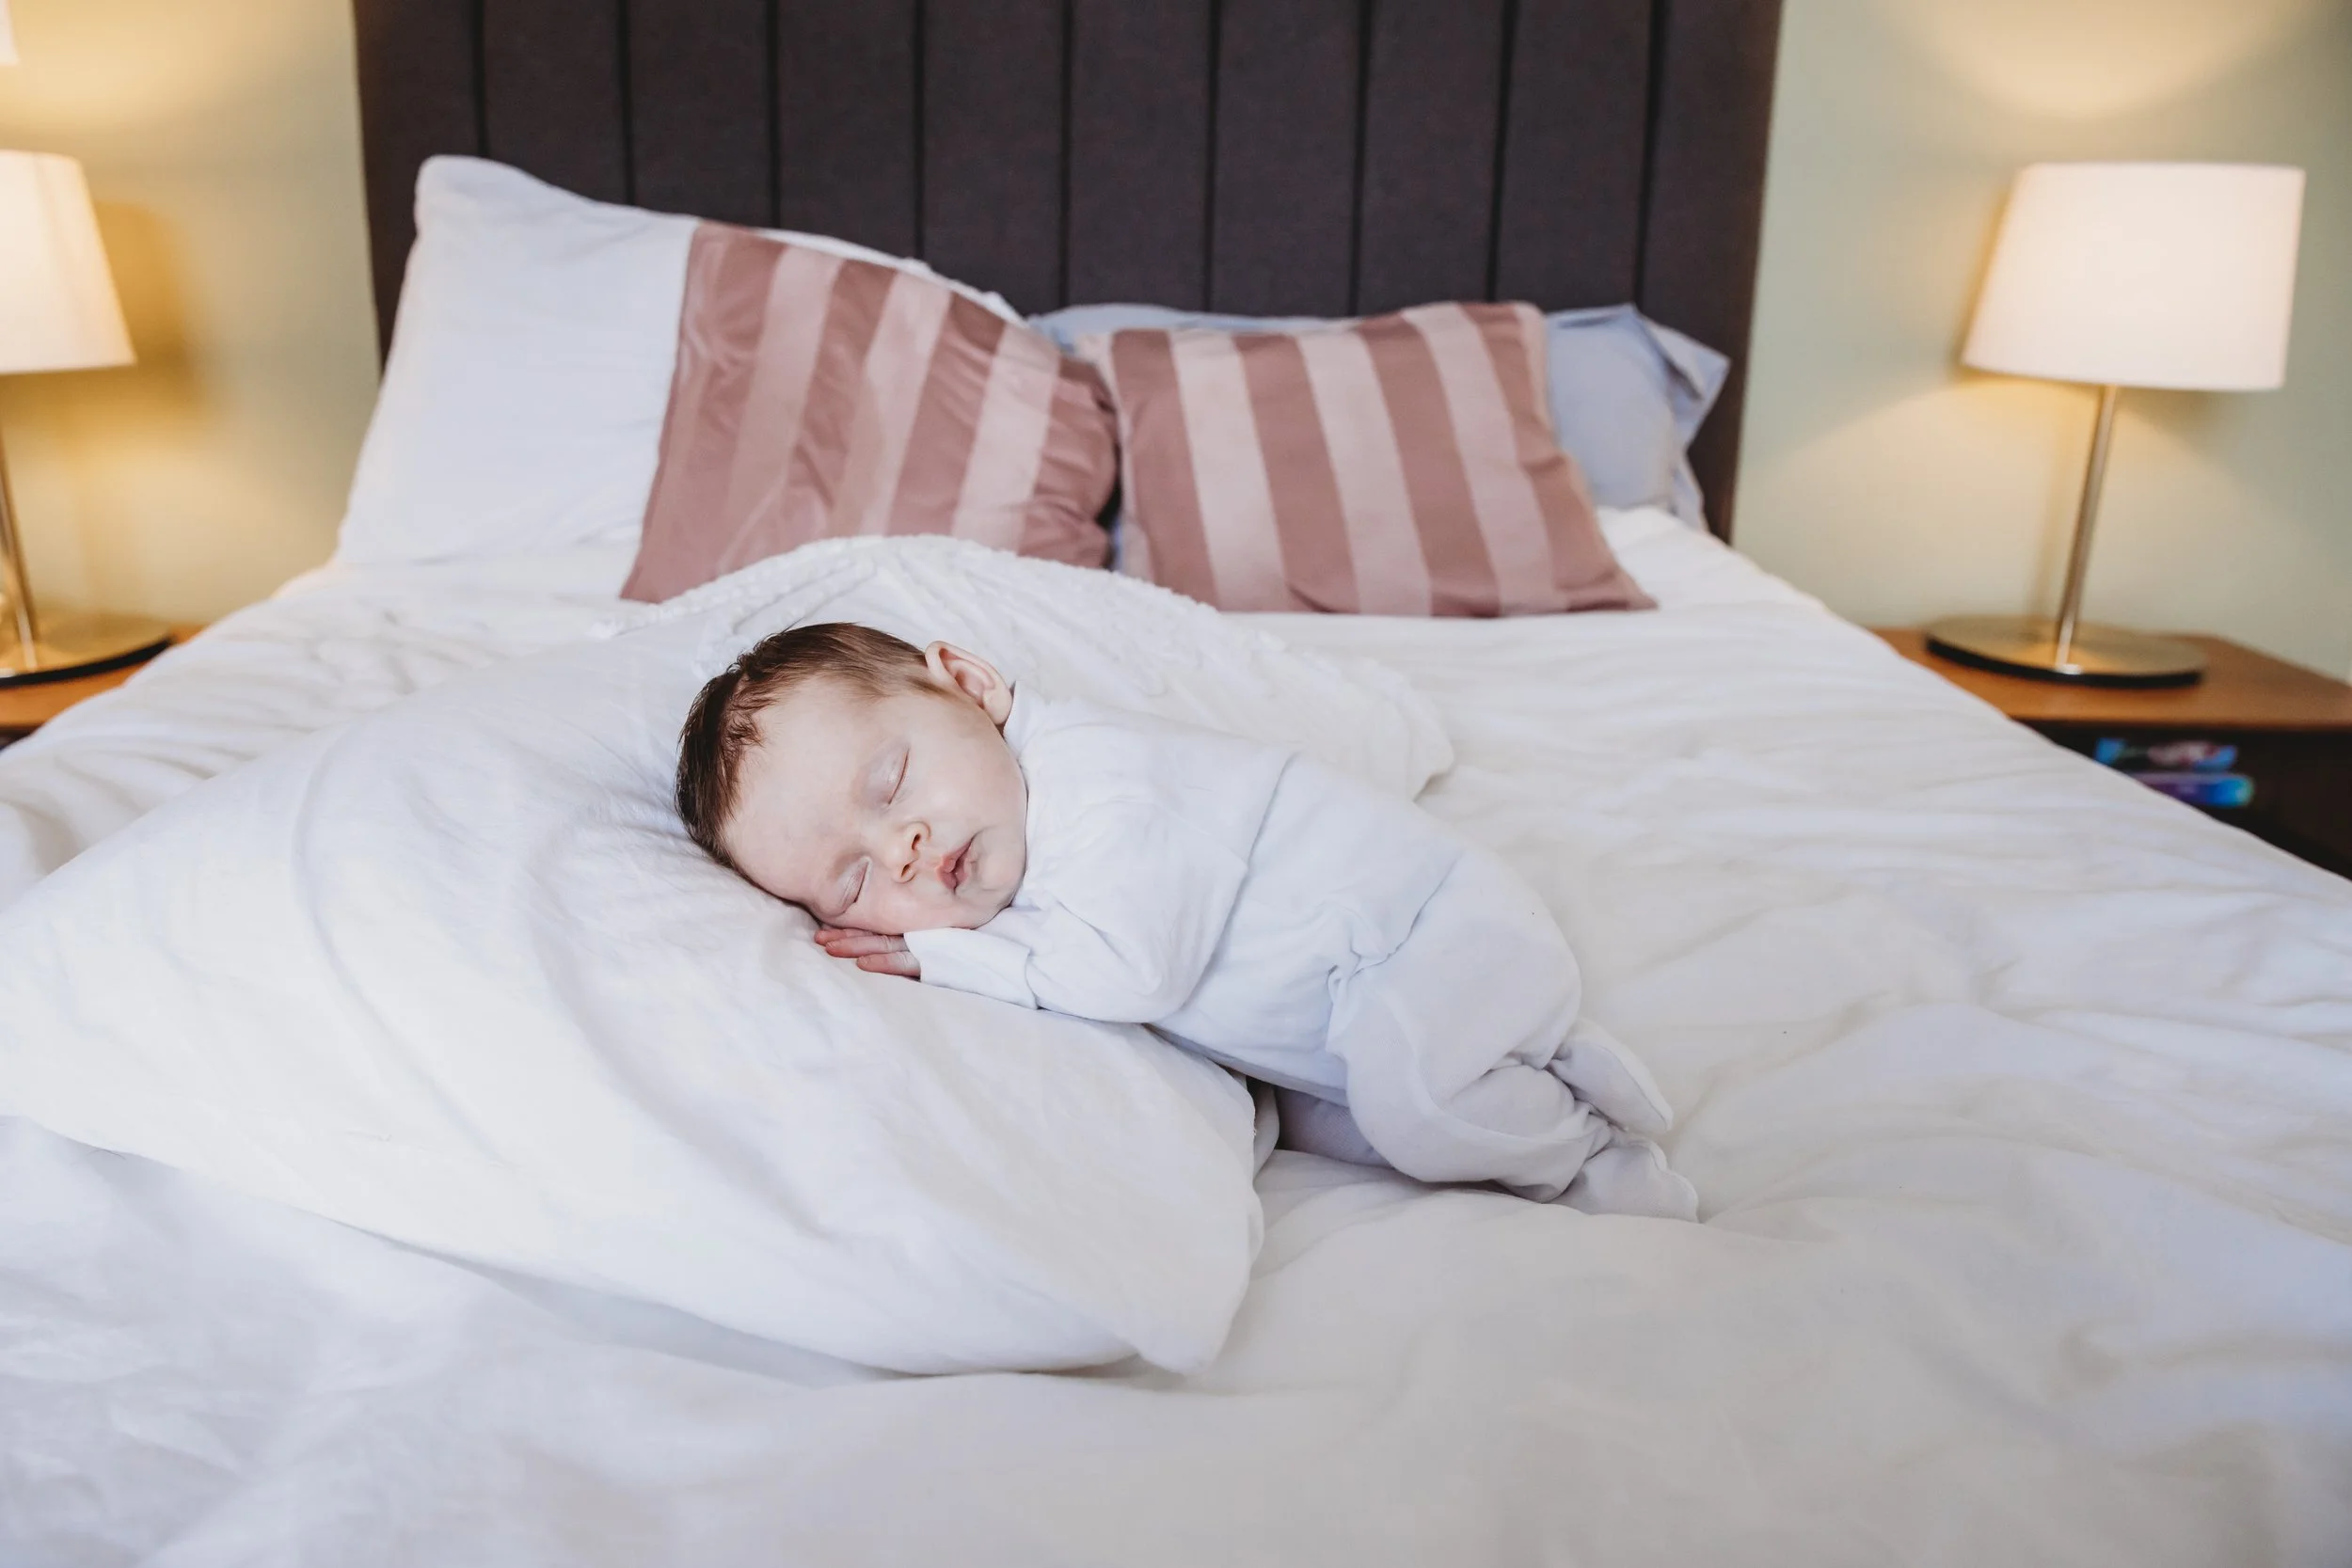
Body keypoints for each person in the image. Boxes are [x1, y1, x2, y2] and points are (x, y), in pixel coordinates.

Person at [676, 621, 1697, 1219]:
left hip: (1433, 935)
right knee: (1334, 1127)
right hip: (1359, 1000)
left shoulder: (1105, 781)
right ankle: (1560, 1058)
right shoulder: (1009, 837)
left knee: (1418, 1111)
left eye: (891, 779)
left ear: (974, 688)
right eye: (852, 879)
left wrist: (945, 960)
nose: (899, 845)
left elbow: (1136, 976)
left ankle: (1591, 1153)